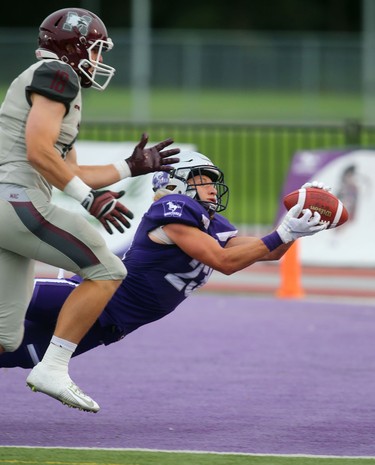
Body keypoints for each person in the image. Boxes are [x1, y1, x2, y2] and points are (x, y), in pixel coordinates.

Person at [0, 150, 328, 412]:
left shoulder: (211, 225)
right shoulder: (175, 210)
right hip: (86, 297)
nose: (213, 187)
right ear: (177, 184)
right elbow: (224, 262)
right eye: (204, 179)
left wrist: (294, 227)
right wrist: (282, 234)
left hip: (108, 326)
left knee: (11, 352)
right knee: (8, 301)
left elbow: (266, 252)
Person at [0, 7, 180, 413]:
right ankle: (53, 368)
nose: (98, 59)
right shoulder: (57, 75)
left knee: (5, 336)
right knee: (108, 270)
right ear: (75, 45)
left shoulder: (53, 83)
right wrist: (87, 198)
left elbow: (71, 169)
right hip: (18, 199)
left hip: (8, 206)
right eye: (96, 49)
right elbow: (39, 152)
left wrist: (129, 168)